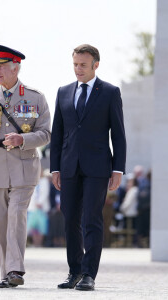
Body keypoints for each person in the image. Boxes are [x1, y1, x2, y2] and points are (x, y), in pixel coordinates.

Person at [0, 44, 51, 288]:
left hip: (24, 165)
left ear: (15, 68)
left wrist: (23, 140)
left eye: (2, 66)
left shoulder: (35, 97)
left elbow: (46, 133)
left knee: (16, 216)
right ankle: (6, 271)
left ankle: (15, 269)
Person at [50, 44, 126, 291]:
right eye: (75, 64)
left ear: (96, 65)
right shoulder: (63, 92)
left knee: (92, 218)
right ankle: (74, 271)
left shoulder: (110, 92)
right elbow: (58, 134)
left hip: (98, 167)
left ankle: (89, 274)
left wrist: (118, 169)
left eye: (83, 64)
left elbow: (119, 135)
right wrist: (55, 168)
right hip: (69, 166)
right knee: (70, 218)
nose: (78, 69)